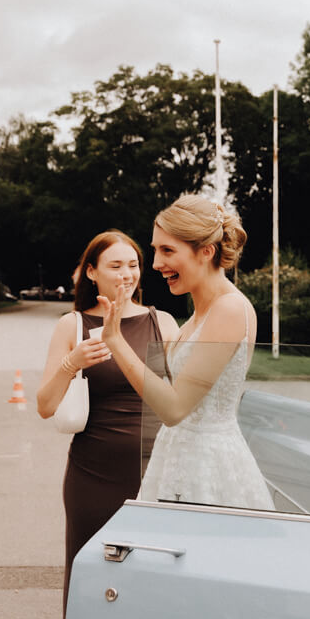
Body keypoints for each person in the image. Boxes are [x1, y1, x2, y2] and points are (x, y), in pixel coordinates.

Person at [98, 195, 272, 510]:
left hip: (209, 467)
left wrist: (116, 341)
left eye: (168, 250)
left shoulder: (230, 309)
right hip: (177, 456)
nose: (155, 264)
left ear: (205, 251)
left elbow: (175, 408)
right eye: (155, 250)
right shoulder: (198, 313)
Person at [38, 230, 178, 610]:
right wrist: (73, 363)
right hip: (92, 475)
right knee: (90, 575)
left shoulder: (161, 322)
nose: (126, 274)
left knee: (153, 579)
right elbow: (45, 405)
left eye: (133, 265)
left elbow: (183, 401)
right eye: (115, 266)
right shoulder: (73, 325)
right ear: (91, 272)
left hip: (154, 470)